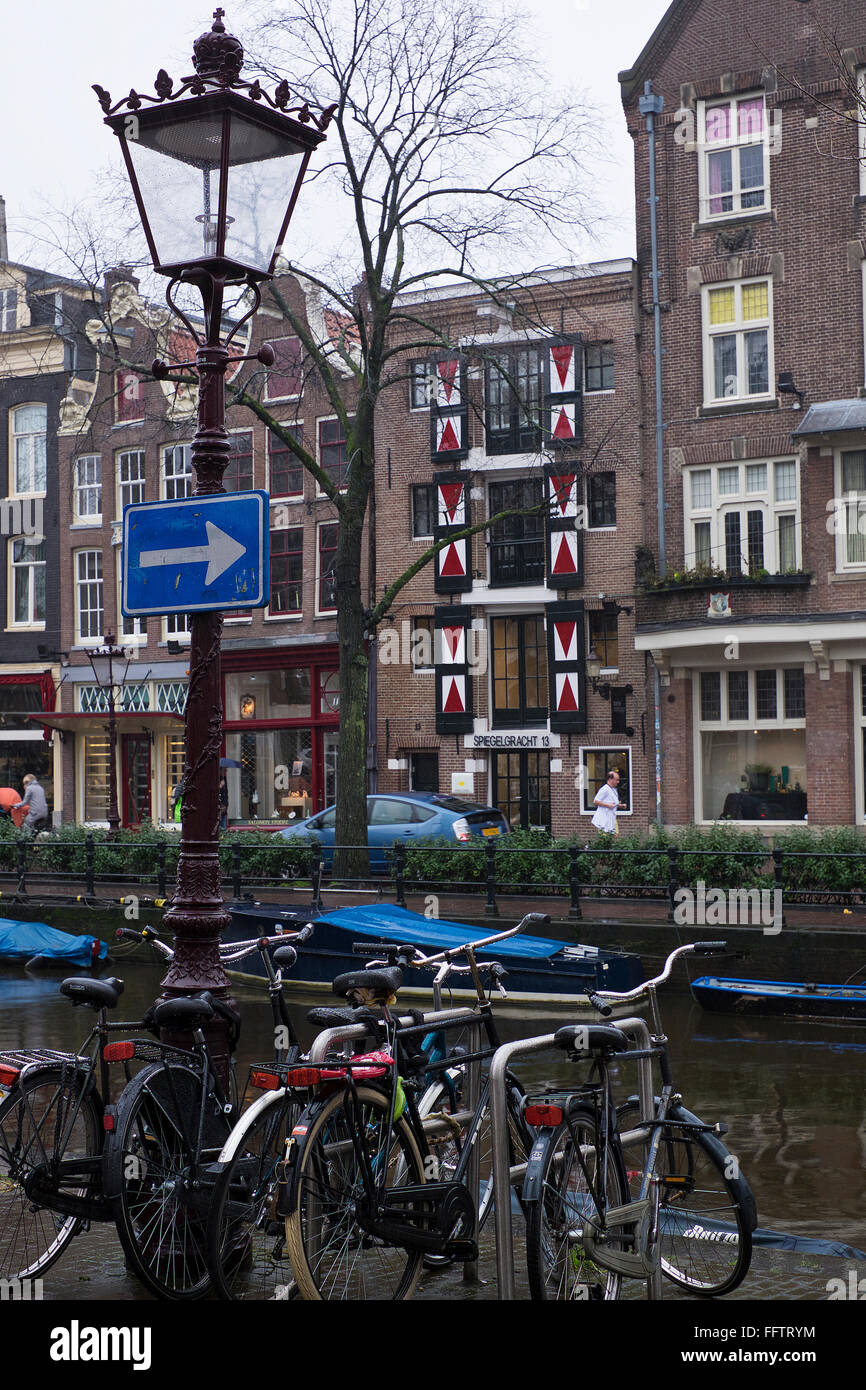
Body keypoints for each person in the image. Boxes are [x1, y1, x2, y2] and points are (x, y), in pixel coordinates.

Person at [590, 769, 626, 836]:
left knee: (615, 835)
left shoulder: (613, 789)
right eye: (616, 780)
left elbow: (613, 803)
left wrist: (620, 805)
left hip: (611, 817)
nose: (618, 782)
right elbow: (595, 801)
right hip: (604, 818)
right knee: (606, 837)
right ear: (610, 779)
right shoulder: (605, 789)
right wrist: (608, 805)